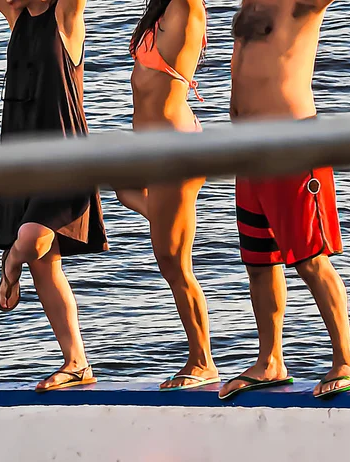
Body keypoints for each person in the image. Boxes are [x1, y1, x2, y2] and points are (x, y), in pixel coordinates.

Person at [219, 0, 350, 400]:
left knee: (309, 258)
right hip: (247, 149)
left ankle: (347, 361)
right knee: (258, 260)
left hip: (292, 143)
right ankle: (270, 361)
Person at [0, 0, 108, 392]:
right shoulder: (17, 18)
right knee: (44, 263)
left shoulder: (66, 15)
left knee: (31, 240)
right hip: (21, 155)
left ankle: (10, 265)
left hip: (63, 155)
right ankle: (76, 362)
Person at [118, 0, 219, 391]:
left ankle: (202, 361)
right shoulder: (161, 11)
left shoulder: (186, 7)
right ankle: (164, 220)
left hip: (176, 151)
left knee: (174, 263)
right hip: (151, 149)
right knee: (123, 191)